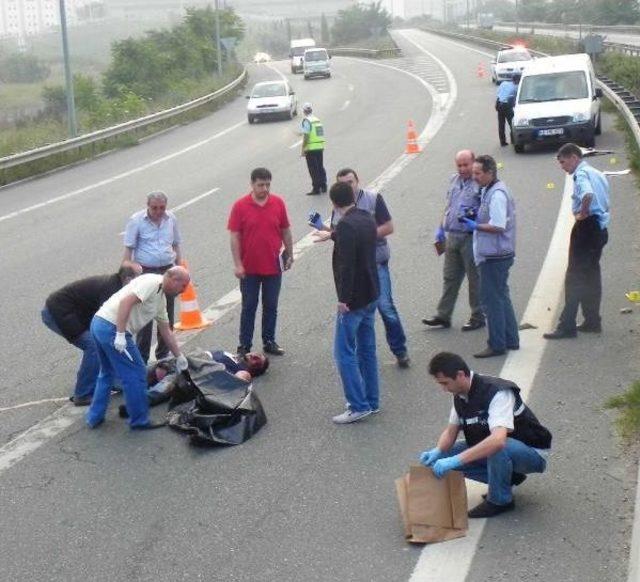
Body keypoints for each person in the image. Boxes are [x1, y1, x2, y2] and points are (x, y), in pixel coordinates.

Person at [419, 352, 551, 518]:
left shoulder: (497, 392)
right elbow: (450, 431)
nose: (443, 389)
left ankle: (500, 500)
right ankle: (505, 478)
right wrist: (438, 451)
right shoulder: (460, 395)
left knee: (497, 446)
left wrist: (455, 460)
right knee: (438, 460)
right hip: (503, 449)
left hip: (531, 452)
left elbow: (497, 440)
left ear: (460, 375)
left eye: (445, 383)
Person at [314, 168, 409, 367]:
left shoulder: (373, 199)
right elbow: (340, 232)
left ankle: (400, 350)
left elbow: (389, 227)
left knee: (386, 307)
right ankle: (364, 356)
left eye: (351, 182)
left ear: (358, 181)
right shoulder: (339, 206)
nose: (348, 186)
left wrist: (362, 235)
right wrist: (324, 230)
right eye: (343, 183)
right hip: (357, 267)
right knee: (362, 314)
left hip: (376, 261)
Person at [85, 266, 191, 430]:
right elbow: (126, 302)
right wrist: (120, 334)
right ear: (173, 279)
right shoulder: (152, 282)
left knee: (107, 372)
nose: (183, 291)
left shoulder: (160, 299)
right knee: (136, 372)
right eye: (183, 286)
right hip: (111, 328)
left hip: (100, 323)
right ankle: (139, 420)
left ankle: (94, 417)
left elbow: (165, 330)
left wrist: (179, 355)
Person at [321, 181, 380, 424]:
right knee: (367, 350)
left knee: (344, 352)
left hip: (354, 300)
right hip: (371, 293)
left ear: (334, 204)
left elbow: (346, 266)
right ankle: (372, 400)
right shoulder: (365, 216)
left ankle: (357, 405)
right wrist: (332, 234)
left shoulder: (345, 225)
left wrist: (343, 299)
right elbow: (355, 241)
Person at [41, 265, 138, 406]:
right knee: (93, 345)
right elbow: (107, 322)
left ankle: (115, 381)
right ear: (129, 279)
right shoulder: (112, 290)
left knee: (106, 342)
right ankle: (83, 394)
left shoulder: (118, 286)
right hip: (59, 313)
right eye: (139, 278)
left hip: (76, 313)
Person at [544, 143, 610, 339]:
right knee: (591, 274)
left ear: (574, 157)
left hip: (586, 228)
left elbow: (587, 194)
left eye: (563, 162)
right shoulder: (597, 172)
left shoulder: (581, 175)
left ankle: (567, 325)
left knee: (574, 277)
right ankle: (592, 320)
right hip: (600, 228)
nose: (562, 167)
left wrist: (582, 212)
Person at [228, 167, 294, 356]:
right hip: (249, 268)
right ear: (252, 184)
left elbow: (285, 230)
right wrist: (238, 264)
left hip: (273, 265)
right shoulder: (240, 206)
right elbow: (235, 236)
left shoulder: (278, 203)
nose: (264, 188)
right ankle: (245, 345)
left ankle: (269, 340)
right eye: (260, 185)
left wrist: (290, 253)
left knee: (271, 305)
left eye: (267, 184)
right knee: (249, 306)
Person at [462, 155, 519, 358]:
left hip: (495, 255)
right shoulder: (489, 189)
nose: (474, 176)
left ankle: (497, 344)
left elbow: (498, 225)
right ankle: (511, 339)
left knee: (491, 301)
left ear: (490, 173)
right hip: (496, 253)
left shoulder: (497, 195)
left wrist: (475, 225)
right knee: (502, 296)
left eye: (478, 173)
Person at [423, 150, 484, 332]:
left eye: (466, 164)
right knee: (450, 277)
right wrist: (440, 228)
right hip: (452, 237)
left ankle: (478, 315)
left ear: (474, 163)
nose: (463, 168)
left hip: (470, 237)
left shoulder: (479, 183)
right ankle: (443, 315)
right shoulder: (453, 181)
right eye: (459, 165)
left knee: (474, 279)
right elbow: (448, 206)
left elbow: (485, 210)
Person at [122, 191, 183, 363]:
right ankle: (141, 357)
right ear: (147, 206)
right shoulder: (137, 221)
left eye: (162, 208)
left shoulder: (171, 219)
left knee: (167, 314)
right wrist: (130, 271)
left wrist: (179, 266)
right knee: (145, 315)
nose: (158, 211)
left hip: (168, 271)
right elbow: (128, 253)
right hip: (146, 272)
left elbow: (176, 245)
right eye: (154, 208)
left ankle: (163, 354)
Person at [300, 102, 327, 196]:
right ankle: (323, 186)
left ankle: (316, 188)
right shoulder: (317, 119)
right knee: (320, 167)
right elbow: (319, 133)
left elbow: (306, 136)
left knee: (313, 169)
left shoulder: (306, 121)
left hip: (311, 148)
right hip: (319, 146)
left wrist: (303, 148)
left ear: (304, 111)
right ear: (311, 110)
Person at [495, 73, 520, 146]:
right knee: (511, 123)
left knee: (501, 124)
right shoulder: (516, 87)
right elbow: (515, 99)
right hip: (507, 106)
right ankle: (513, 140)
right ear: (517, 81)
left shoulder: (503, 83)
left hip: (499, 103)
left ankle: (502, 141)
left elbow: (498, 92)